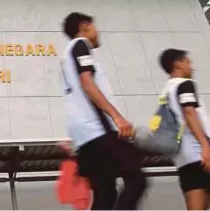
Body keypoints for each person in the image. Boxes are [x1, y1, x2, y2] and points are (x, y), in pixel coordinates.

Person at [61, 12, 148, 210]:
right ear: (84, 27)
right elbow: (87, 82)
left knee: (105, 192)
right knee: (136, 179)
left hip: (84, 136)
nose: (97, 31)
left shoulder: (67, 55)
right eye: (94, 26)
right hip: (97, 130)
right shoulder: (80, 45)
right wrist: (116, 116)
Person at [159, 48, 210, 210]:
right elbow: (189, 111)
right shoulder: (185, 84)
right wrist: (206, 147)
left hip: (184, 159)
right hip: (204, 152)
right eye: (188, 62)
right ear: (178, 64)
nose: (192, 67)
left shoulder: (164, 93)